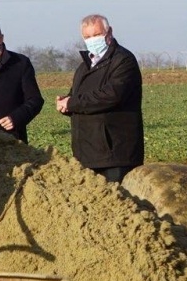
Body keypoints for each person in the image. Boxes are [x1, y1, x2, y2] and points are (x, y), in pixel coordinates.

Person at [54, 14, 143, 183]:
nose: (92, 40)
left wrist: (72, 103)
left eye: (97, 35)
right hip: (87, 154)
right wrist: (66, 103)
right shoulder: (84, 67)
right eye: (87, 37)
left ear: (109, 32)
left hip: (115, 154)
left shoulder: (123, 61)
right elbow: (79, 98)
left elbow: (111, 95)